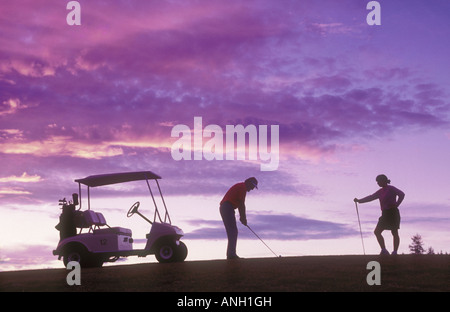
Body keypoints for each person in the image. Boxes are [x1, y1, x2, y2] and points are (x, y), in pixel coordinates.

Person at [354, 174, 405, 255]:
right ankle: (384, 250)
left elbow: (402, 194)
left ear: (383, 181)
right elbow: (371, 197)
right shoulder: (380, 191)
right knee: (377, 232)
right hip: (385, 213)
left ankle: (395, 251)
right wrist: (359, 201)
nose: (377, 183)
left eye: (378, 181)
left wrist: (397, 204)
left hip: (393, 212)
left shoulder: (391, 188)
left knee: (394, 232)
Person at [220, 177, 258, 259]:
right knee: (233, 231)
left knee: (232, 231)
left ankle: (231, 253)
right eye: (252, 186)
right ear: (249, 183)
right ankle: (231, 254)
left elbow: (240, 204)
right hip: (227, 207)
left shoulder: (241, 186)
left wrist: (242, 218)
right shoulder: (242, 187)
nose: (252, 189)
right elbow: (241, 204)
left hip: (226, 207)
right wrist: (243, 218)